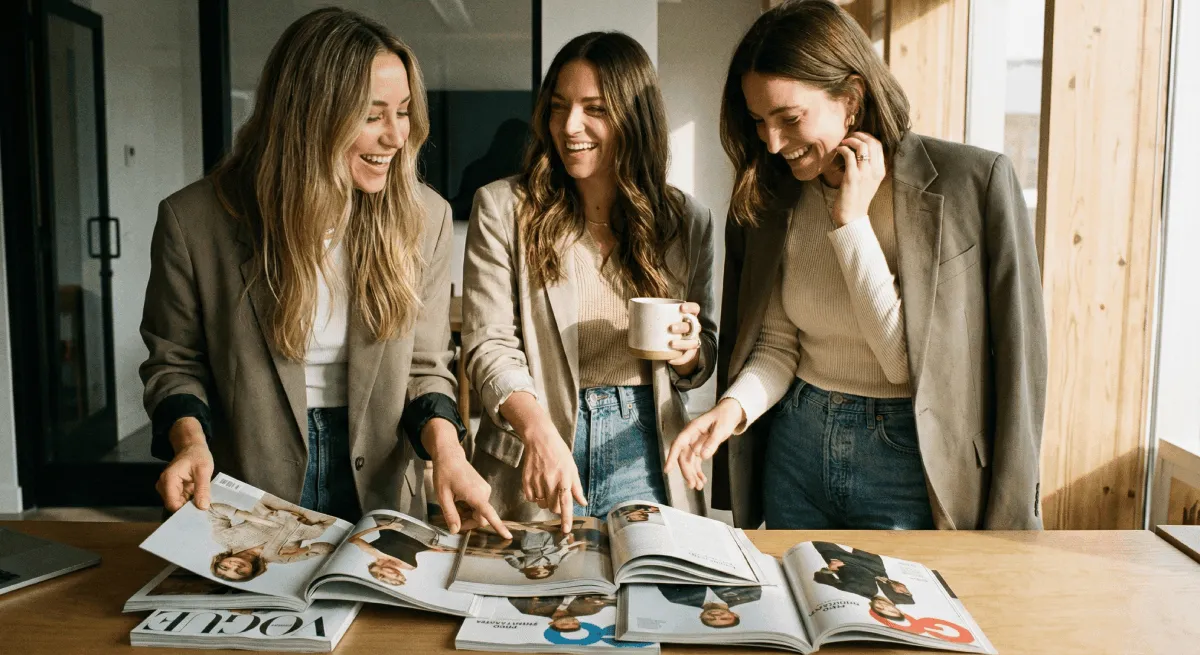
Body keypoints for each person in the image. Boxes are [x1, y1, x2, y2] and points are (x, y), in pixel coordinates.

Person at [665, 0, 1047, 531]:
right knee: (793, 610)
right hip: (795, 447)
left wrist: (850, 224)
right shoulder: (773, 198)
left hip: (911, 463)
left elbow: (912, 366)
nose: (772, 143)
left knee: (892, 616)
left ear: (851, 97)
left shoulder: (973, 184)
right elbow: (776, 344)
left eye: (789, 118)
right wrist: (727, 412)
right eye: (758, 122)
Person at [140, 7, 507, 537]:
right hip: (246, 487)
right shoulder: (194, 221)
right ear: (310, 115)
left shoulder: (424, 218)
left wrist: (446, 452)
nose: (396, 136)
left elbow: (426, 367)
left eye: (403, 112)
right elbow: (174, 363)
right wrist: (190, 441)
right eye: (372, 115)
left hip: (380, 489)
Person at [463, 31, 717, 531]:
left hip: (644, 448)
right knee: (532, 603)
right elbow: (488, 345)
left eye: (594, 108)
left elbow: (702, 350)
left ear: (633, 117)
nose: (569, 126)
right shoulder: (502, 208)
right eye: (559, 107)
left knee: (647, 600)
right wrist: (537, 432)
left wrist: (687, 350)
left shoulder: (686, 220)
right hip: (536, 445)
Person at [207, 496, 337, 582]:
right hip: (315, 517)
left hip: (276, 502)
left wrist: (250, 517)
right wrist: (302, 550)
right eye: (240, 572)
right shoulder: (280, 559)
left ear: (220, 561)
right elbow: (328, 548)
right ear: (252, 572)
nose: (235, 566)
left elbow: (213, 509)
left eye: (225, 567)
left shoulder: (223, 538)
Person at [347, 518, 456, 586]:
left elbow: (352, 539)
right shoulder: (410, 567)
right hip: (424, 529)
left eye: (393, 577)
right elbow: (414, 548)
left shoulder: (375, 553)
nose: (396, 574)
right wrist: (435, 550)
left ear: (381, 575)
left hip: (395, 521)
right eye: (399, 576)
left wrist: (384, 527)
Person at [659, 585, 762, 629]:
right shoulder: (751, 595)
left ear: (701, 616)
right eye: (725, 618)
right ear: (735, 614)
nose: (716, 615)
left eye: (710, 619)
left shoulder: (676, 598)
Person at [503, 527, 589, 580]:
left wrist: (512, 558)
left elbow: (508, 557)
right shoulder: (555, 562)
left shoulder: (524, 565)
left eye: (537, 574)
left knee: (532, 529)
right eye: (544, 573)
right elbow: (565, 552)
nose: (541, 572)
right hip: (550, 541)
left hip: (531, 544)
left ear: (530, 573)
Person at [508, 595, 615, 633]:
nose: (570, 622)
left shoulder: (530, 610)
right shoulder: (590, 610)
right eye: (575, 624)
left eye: (565, 624)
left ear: (551, 623)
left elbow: (513, 596)